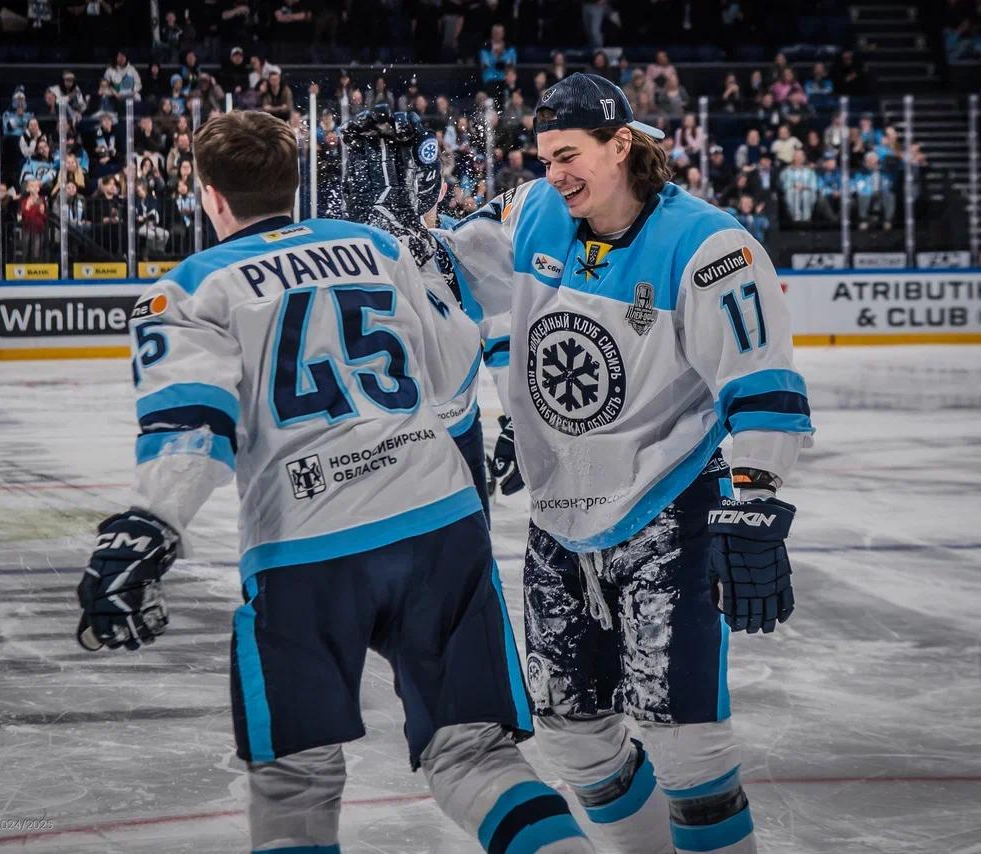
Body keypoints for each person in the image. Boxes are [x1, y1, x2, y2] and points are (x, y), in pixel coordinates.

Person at [73, 109, 594, 854]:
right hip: (438, 522)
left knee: (295, 784)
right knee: (476, 758)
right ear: (294, 182)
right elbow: (450, 373)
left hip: (307, 546)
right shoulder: (376, 247)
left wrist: (148, 528)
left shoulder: (191, 289)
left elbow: (192, 429)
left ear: (209, 195)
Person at [345, 73, 814, 854]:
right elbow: (452, 276)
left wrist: (756, 495)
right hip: (560, 520)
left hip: (668, 510)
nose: (554, 173)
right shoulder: (534, 211)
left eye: (569, 155)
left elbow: (762, 383)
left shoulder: (708, 247)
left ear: (621, 145)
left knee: (687, 747)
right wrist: (397, 228)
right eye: (545, 157)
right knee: (574, 737)